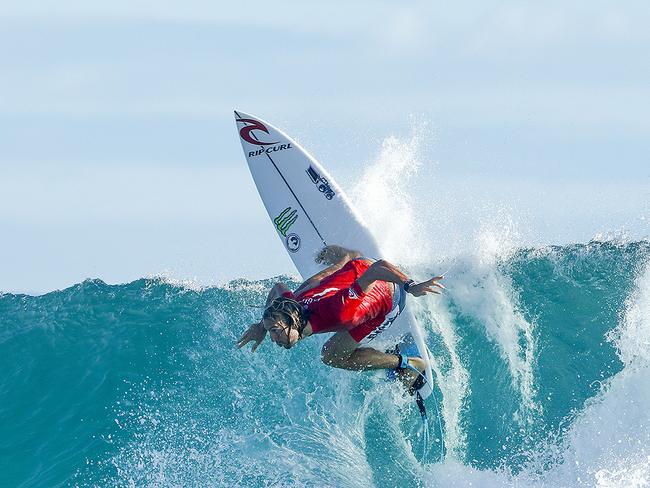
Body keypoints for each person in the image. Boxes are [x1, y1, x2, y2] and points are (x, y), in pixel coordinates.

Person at [236, 245, 444, 391]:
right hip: (356, 267)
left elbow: (379, 268)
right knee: (309, 289)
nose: (273, 338)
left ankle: (408, 363)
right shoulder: (291, 306)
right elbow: (278, 288)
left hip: (389, 296)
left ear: (292, 322)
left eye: (275, 330)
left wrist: (411, 286)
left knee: (331, 355)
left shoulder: (340, 311)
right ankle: (346, 258)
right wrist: (261, 326)